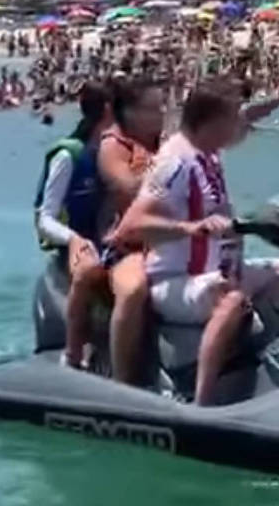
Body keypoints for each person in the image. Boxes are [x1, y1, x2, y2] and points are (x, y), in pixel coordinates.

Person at [114, 83, 279, 406]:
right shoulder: (174, 162)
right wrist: (191, 228)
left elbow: (250, 114)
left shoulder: (209, 152)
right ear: (211, 122)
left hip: (221, 271)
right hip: (176, 282)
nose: (238, 126)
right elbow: (131, 226)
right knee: (233, 299)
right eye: (231, 119)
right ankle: (203, 401)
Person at [34, 83, 114, 369]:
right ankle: (73, 354)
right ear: (107, 111)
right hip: (77, 249)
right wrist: (74, 241)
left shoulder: (116, 154)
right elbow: (45, 218)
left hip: (111, 244)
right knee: (89, 270)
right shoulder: (69, 156)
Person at [96, 79, 165, 384]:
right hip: (129, 246)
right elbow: (128, 187)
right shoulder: (113, 146)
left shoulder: (166, 141)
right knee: (134, 289)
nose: (161, 114)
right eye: (152, 109)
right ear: (130, 113)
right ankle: (123, 382)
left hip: (174, 238)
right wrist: (162, 164)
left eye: (162, 106)